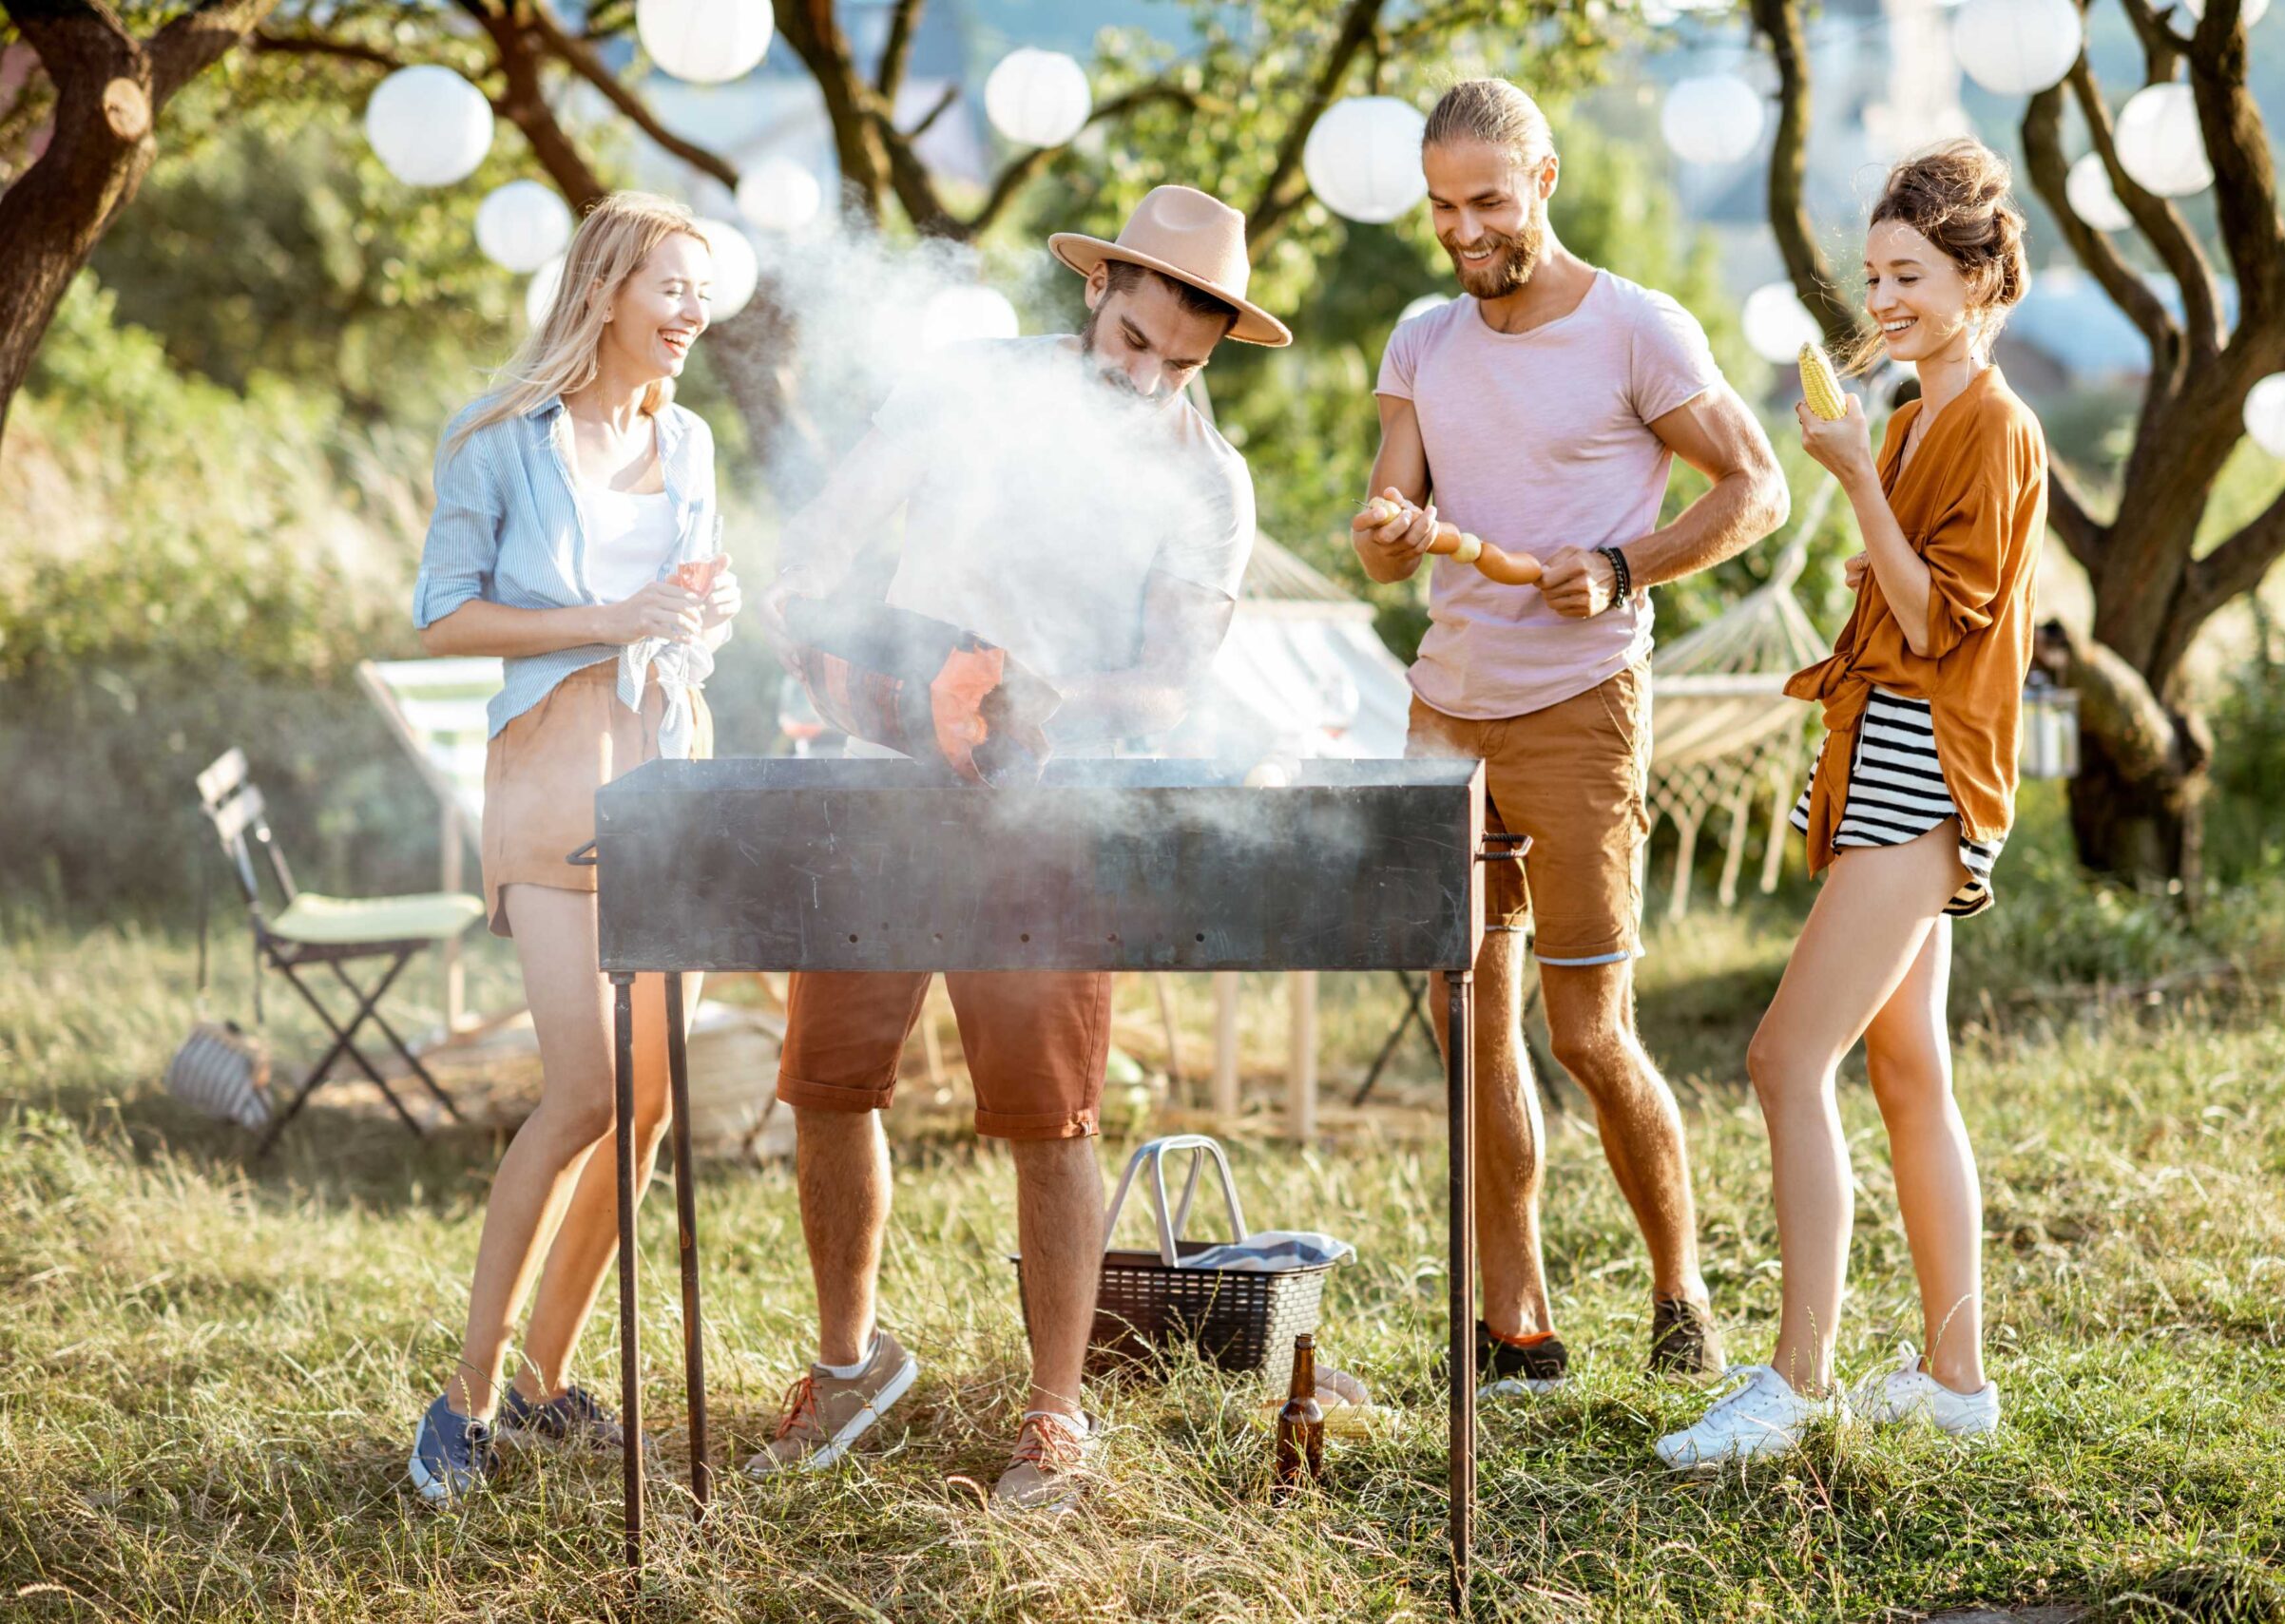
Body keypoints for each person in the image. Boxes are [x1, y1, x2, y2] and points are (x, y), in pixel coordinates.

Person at [747, 185, 1289, 1512]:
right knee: (829, 1080)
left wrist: (1043, 704)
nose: (1148, 375)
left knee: (1048, 1117)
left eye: (1179, 361)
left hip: (1050, 806)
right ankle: (850, 1361)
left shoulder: (1207, 482)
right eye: (1132, 344)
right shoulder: (968, 389)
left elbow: (1170, 680)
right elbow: (829, 526)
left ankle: (1057, 1413)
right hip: (884, 763)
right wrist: (806, 608)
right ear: (1095, 295)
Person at [1352, 79, 1789, 1394]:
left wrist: (1622, 562)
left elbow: (1756, 490)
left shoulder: (1636, 329)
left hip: (1581, 710)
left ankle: (1682, 1289)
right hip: (1446, 711)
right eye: (1440, 204)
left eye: (1487, 200)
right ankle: (1518, 1324)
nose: (1463, 228)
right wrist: (1383, 526)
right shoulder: (1424, 339)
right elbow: (1391, 524)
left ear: (1544, 180)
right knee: (1471, 1022)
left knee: (1589, 1031)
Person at [1657, 140, 2045, 1469]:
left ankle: (1795, 1381)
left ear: (1980, 280)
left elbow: (1942, 624)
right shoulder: (1909, 414)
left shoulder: (1989, 425)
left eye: (1912, 275)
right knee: (1904, 1067)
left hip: (1925, 774)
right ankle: (1956, 1380)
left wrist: (1857, 484)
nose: (1884, 301)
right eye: (1874, 274)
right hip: (1888, 753)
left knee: (1781, 1058)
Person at [404, 193, 741, 1500]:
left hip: (672, 768)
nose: (689, 316)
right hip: (550, 774)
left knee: (650, 1105)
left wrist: (697, 612)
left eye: (701, 296)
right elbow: (444, 619)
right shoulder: (498, 437)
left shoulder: (693, 439)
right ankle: (463, 1399)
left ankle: (547, 1382)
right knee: (584, 1090)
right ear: (606, 286)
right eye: (670, 287)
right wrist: (613, 614)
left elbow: (688, 603)